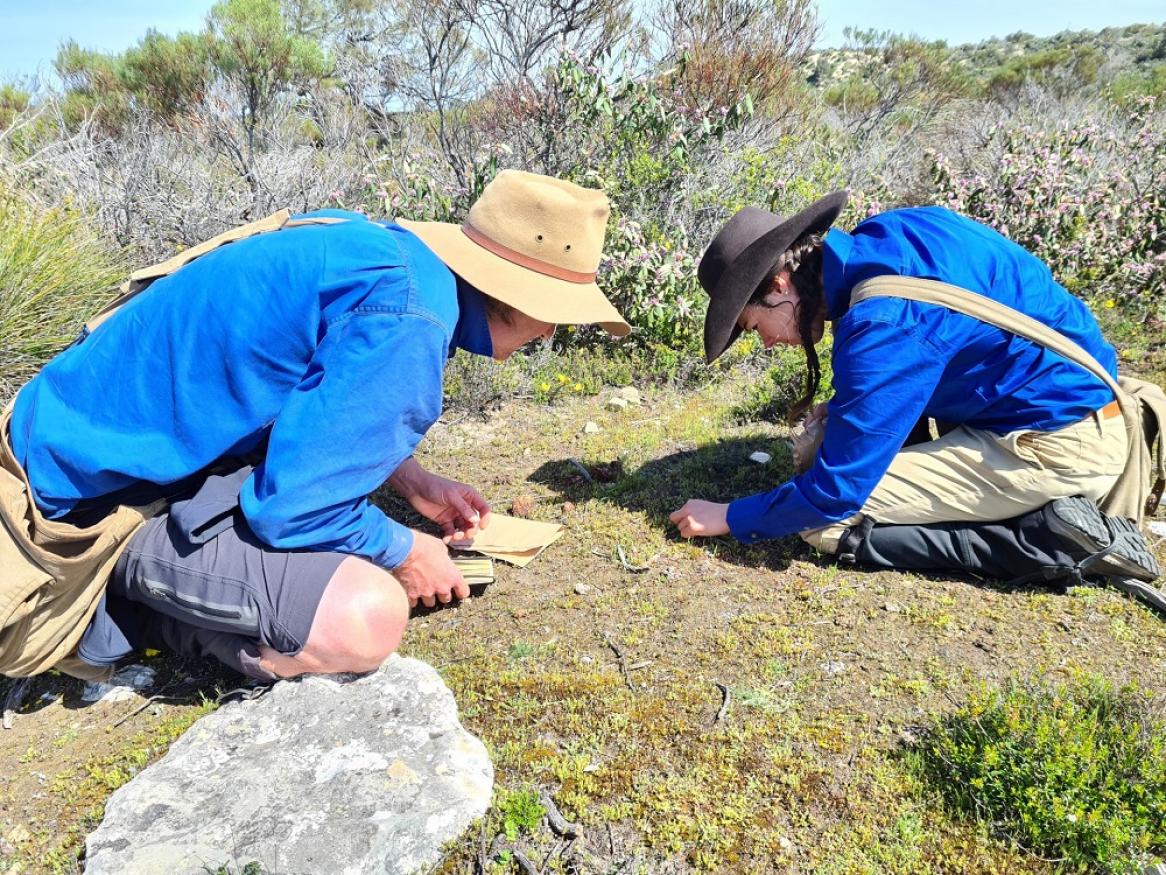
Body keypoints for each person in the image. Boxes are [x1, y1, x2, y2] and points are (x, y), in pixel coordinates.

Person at [2, 170, 628, 682]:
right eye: (553, 316)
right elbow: (291, 511)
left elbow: (292, 390)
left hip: (69, 444)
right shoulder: (414, 316)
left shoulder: (383, 253)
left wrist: (411, 481)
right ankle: (116, 610)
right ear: (516, 296)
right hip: (69, 513)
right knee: (365, 617)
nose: (551, 333)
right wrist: (407, 551)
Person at [669, 192, 1163, 608]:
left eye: (756, 326)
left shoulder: (879, 326)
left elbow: (834, 492)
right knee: (838, 440)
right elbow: (938, 346)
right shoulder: (893, 235)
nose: (770, 343)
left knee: (825, 524)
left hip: (1058, 444)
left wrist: (731, 516)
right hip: (1081, 397)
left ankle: (1048, 538)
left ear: (778, 285)